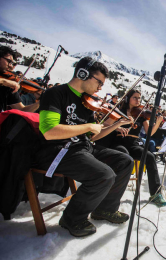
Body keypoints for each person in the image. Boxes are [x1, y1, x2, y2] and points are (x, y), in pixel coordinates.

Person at [34, 57, 135, 237]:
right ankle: (72, 218)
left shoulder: (85, 102)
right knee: (104, 175)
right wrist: (88, 127)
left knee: (124, 161)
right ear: (83, 74)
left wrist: (115, 125)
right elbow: (49, 131)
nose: (100, 88)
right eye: (99, 82)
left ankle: (105, 209)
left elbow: (93, 135)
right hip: (58, 150)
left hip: (82, 147)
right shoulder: (56, 93)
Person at [96, 89, 166, 207]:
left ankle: (155, 193)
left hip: (134, 143)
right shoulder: (119, 111)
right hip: (118, 141)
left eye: (139, 98)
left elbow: (149, 133)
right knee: (123, 155)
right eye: (135, 97)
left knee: (149, 156)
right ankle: (110, 191)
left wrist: (158, 122)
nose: (138, 100)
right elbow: (105, 124)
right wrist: (118, 127)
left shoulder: (142, 115)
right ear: (128, 98)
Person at [0, 46, 39, 112]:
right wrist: (4, 81)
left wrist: (39, 103)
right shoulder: (7, 82)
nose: (10, 65)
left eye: (12, 63)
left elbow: (22, 110)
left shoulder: (9, 85)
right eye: (8, 61)